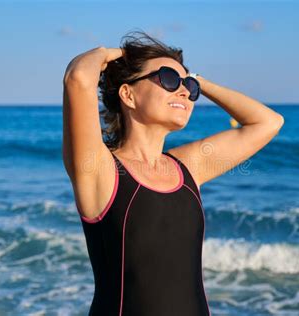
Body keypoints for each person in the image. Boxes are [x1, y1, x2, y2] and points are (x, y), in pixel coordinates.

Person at [62, 31, 284, 316]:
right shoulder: (100, 171)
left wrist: (200, 83)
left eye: (188, 86)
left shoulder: (188, 168)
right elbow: (78, 78)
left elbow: (267, 122)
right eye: (167, 79)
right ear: (128, 94)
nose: (183, 91)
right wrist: (110, 55)